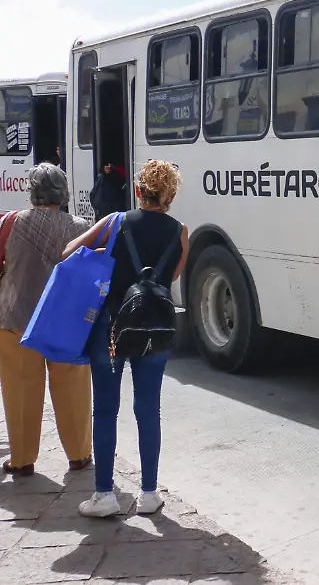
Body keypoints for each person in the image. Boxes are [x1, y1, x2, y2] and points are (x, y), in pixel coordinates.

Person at [64, 160, 189, 517]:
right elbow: (170, 277)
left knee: (106, 409)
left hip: (112, 328)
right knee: (148, 409)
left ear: (138, 191)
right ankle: (149, 494)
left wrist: (105, 254)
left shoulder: (115, 221)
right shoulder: (180, 232)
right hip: (155, 329)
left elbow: (68, 252)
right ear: (170, 195)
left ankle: (105, 495)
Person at [0, 164, 94, 477]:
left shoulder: (10, 223)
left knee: (20, 388)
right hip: (64, 321)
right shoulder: (80, 227)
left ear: (31, 192)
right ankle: (79, 454)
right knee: (72, 386)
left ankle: (22, 459)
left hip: (16, 316)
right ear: (63, 193)